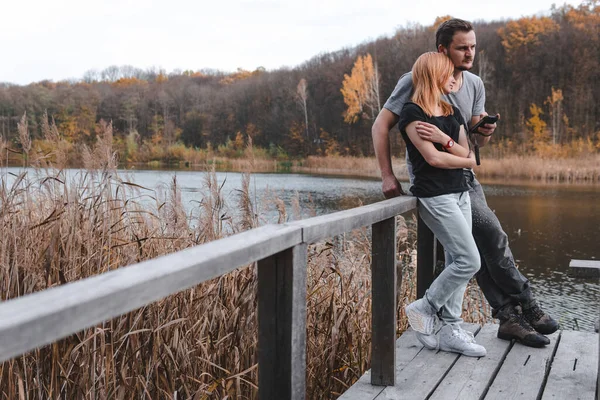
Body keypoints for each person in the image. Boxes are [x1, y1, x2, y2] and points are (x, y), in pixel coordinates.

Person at [373, 18, 559, 348]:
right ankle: (526, 304)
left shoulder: (472, 84)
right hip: (435, 182)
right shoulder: (415, 80)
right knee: (488, 237)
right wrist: (387, 175)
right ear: (443, 50)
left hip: (465, 177)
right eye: (462, 47)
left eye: (473, 46)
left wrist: (484, 133)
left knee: (480, 245)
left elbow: (472, 147)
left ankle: (507, 317)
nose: (470, 52)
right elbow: (382, 126)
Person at [400, 52, 486, 357]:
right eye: (450, 74)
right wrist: (457, 154)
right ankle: (424, 307)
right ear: (435, 75)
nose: (455, 79)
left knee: (455, 262)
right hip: (435, 195)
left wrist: (442, 137)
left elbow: (469, 157)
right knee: (469, 261)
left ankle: (451, 329)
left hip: (460, 191)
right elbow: (434, 158)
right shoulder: (412, 113)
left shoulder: (450, 110)